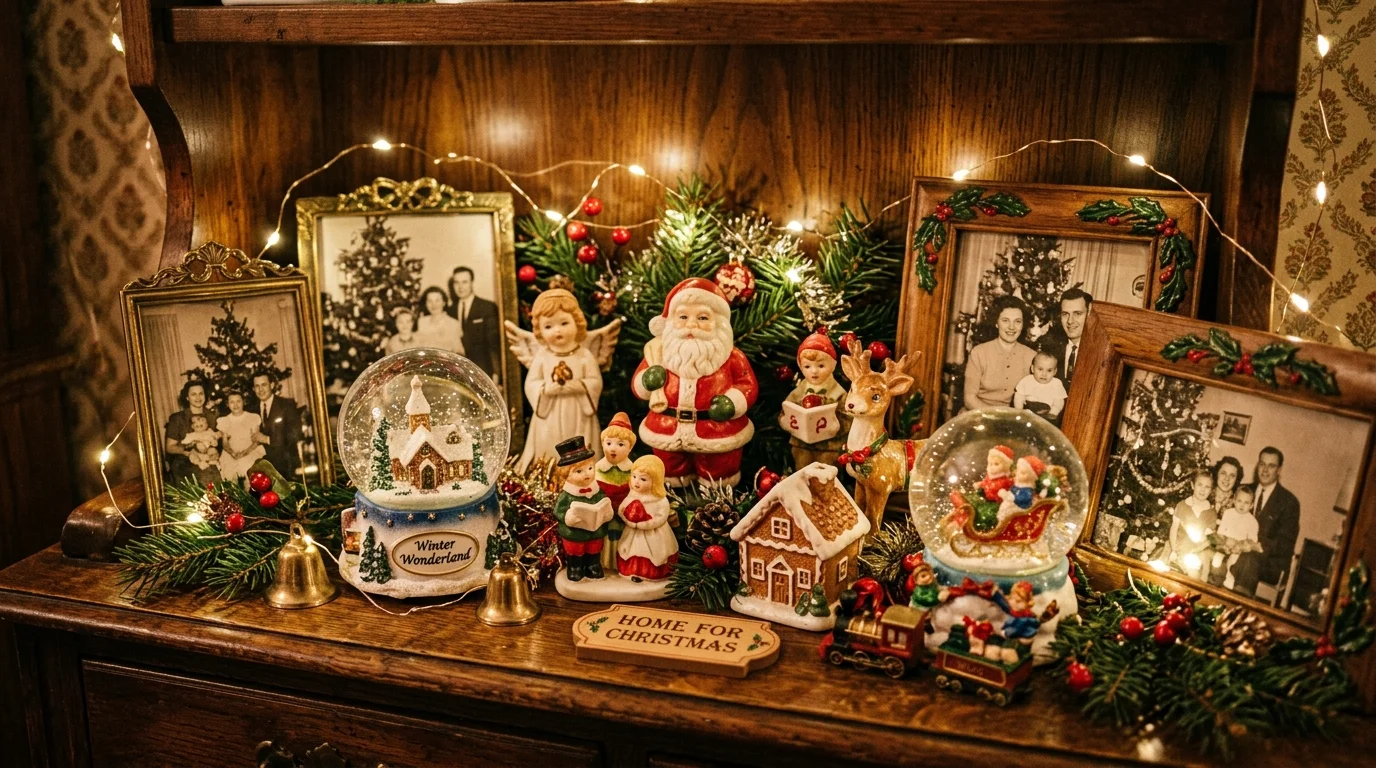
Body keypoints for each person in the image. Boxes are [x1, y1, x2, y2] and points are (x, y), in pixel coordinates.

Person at [632, 278, 760, 487]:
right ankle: (674, 497)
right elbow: (638, 386)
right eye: (683, 316)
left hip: (716, 431)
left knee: (718, 472)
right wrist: (646, 381)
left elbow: (747, 385)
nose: (691, 324)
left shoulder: (731, 357)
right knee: (669, 470)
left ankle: (717, 500)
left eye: (702, 317)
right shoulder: (659, 354)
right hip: (666, 428)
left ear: (718, 323)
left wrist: (732, 402)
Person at [515, 289, 604, 471]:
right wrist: (545, 389)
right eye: (548, 326)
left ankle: (583, 473)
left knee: (581, 441)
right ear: (539, 330)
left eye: (564, 323)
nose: (557, 330)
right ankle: (550, 473)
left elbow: (595, 381)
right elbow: (531, 384)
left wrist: (579, 386)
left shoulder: (584, 355)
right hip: (550, 412)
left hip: (579, 411)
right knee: (549, 442)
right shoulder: (542, 356)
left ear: (577, 323)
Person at [1234, 447, 1301, 599]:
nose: (1265, 470)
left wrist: (1254, 545)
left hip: (1269, 562)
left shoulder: (1289, 502)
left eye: (1271, 466)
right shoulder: (1243, 490)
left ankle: (1237, 606)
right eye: (1262, 464)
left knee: (1249, 558)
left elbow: (1285, 543)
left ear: (1279, 470)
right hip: (1236, 549)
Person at [779, 331, 849, 468]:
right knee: (802, 469)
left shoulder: (838, 393)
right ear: (800, 366)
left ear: (833, 365)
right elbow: (786, 409)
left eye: (821, 366)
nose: (814, 371)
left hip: (829, 446)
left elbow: (848, 416)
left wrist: (838, 427)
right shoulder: (799, 391)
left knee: (826, 470)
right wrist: (785, 420)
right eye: (807, 366)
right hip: (801, 445)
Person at [552, 436, 614, 582]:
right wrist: (567, 517)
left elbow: (604, 501)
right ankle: (575, 568)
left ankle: (593, 566)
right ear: (567, 476)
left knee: (594, 548)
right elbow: (558, 511)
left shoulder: (597, 490)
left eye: (590, 468)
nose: (587, 474)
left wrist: (606, 512)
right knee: (576, 550)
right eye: (579, 472)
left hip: (595, 531)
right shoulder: (567, 495)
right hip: (575, 534)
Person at [961, 294, 1036, 412]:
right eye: (1005, 321)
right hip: (978, 414)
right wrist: (998, 417)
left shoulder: (1032, 356)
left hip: (1012, 420)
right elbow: (969, 399)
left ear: (1023, 325)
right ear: (996, 323)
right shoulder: (979, 353)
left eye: (1017, 321)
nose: (1012, 327)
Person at [616, 455, 679, 581]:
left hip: (654, 535)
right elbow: (622, 510)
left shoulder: (660, 500)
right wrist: (628, 520)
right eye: (634, 477)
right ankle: (633, 572)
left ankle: (653, 573)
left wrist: (646, 524)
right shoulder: (632, 495)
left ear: (655, 482)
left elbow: (661, 518)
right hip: (633, 533)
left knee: (654, 553)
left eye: (643, 479)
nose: (636, 482)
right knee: (629, 551)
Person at [447, 267, 501, 381]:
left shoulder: (487, 307)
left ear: (472, 283)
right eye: (456, 282)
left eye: (464, 282)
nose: (460, 287)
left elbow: (493, 344)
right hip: (457, 372)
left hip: (483, 370)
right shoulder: (449, 310)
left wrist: (496, 372)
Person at [163, 379, 218, 485]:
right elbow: (170, 447)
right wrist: (187, 452)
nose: (198, 397)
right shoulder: (177, 418)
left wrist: (215, 452)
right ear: (187, 398)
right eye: (193, 394)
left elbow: (216, 441)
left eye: (201, 394)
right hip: (184, 461)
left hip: (208, 458)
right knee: (203, 477)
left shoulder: (212, 417)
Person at [1037, 287, 1093, 385]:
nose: (1070, 321)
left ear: (1088, 313)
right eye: (1065, 314)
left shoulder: (1097, 351)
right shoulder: (1049, 349)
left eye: (1077, 314)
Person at [252, 372, 303, 479]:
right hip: (260, 465)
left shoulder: (286, 405)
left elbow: (294, 434)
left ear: (272, 385)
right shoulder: (251, 410)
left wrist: (267, 439)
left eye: (264, 385)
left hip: (285, 464)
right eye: (257, 386)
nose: (260, 389)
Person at [1211, 484, 1261, 590]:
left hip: (1239, 550)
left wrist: (1241, 546)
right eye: (1239, 501)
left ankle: (1229, 581)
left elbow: (1251, 542)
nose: (1242, 505)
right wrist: (1223, 544)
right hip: (1225, 544)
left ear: (1252, 505)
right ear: (1234, 500)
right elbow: (1220, 532)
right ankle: (1214, 579)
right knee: (1217, 559)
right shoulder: (1228, 513)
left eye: (1246, 503)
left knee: (1234, 563)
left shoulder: (1252, 522)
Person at [1168, 470, 1216, 580]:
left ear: (1211, 490)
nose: (1203, 489)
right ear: (1192, 485)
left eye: (1207, 487)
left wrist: (1193, 551)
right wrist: (1174, 548)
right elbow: (1174, 529)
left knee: (1193, 576)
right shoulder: (1182, 505)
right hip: (1178, 546)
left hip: (1196, 550)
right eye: (1200, 485)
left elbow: (1207, 540)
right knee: (1167, 570)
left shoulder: (1211, 513)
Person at [218, 391, 267, 484]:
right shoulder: (224, 420)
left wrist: (245, 452)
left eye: (238, 401)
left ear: (244, 402)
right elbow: (225, 443)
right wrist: (232, 453)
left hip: (250, 450)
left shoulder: (253, 417)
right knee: (229, 472)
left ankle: (250, 494)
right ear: (227, 404)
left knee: (247, 468)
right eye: (232, 402)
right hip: (232, 451)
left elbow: (256, 440)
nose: (235, 405)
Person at [1012, 351, 1068, 424]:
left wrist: (1054, 412)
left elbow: (1059, 401)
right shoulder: (1027, 380)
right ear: (1032, 369)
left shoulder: (1056, 383)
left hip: (1047, 413)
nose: (1044, 374)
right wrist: (1019, 410)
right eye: (1040, 369)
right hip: (1029, 410)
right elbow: (1019, 396)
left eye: (1049, 370)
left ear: (1055, 371)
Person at [415, 285, 464, 355]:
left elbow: (459, 352)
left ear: (444, 303)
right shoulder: (422, 322)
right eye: (430, 301)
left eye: (437, 300)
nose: (433, 304)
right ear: (426, 303)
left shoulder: (453, 324)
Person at [180, 413, 222, 485]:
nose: (199, 427)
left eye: (201, 425)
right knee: (192, 454)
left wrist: (215, 439)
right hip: (198, 452)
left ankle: (214, 462)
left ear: (206, 425)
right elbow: (184, 443)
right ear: (192, 427)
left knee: (213, 451)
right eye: (197, 426)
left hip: (208, 449)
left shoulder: (209, 432)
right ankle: (200, 463)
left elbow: (216, 437)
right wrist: (193, 442)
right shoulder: (191, 435)